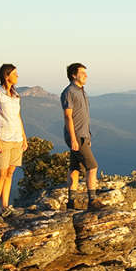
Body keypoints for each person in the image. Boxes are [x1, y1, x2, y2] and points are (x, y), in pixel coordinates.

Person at [0, 63, 28, 223]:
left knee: (10, 173)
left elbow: (18, 117)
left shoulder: (16, 95)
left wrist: (24, 137)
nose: (17, 76)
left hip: (16, 139)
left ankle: (5, 207)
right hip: (2, 139)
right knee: (0, 175)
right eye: (15, 73)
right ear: (6, 75)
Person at [61, 62, 101, 210]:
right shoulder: (69, 92)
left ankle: (71, 202)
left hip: (82, 135)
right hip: (76, 136)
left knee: (75, 168)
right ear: (73, 75)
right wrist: (73, 138)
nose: (86, 75)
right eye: (82, 73)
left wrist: (88, 136)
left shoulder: (82, 91)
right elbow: (68, 117)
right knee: (92, 167)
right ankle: (93, 200)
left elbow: (84, 116)